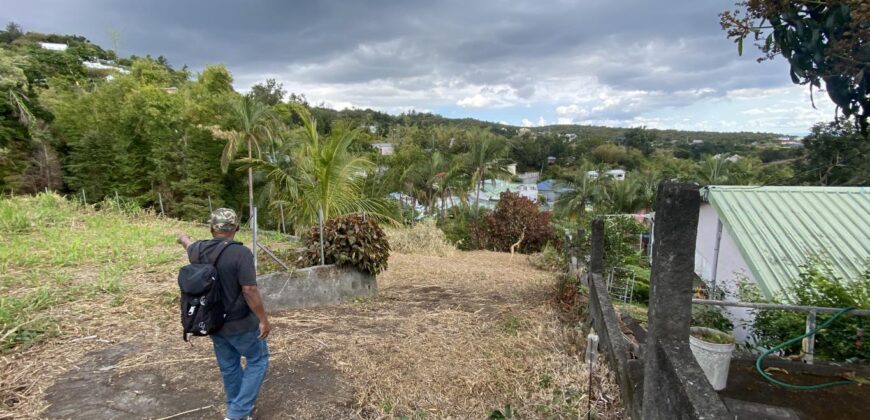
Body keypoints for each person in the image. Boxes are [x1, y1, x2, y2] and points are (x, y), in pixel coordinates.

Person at [176, 208, 271, 420]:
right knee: (258, 360)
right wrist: (263, 320)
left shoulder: (197, 250)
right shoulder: (241, 253)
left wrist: (182, 237)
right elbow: (249, 290)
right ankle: (237, 413)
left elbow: (188, 244)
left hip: (212, 322)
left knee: (229, 367)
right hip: (241, 323)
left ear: (211, 228)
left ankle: (237, 409)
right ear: (236, 228)